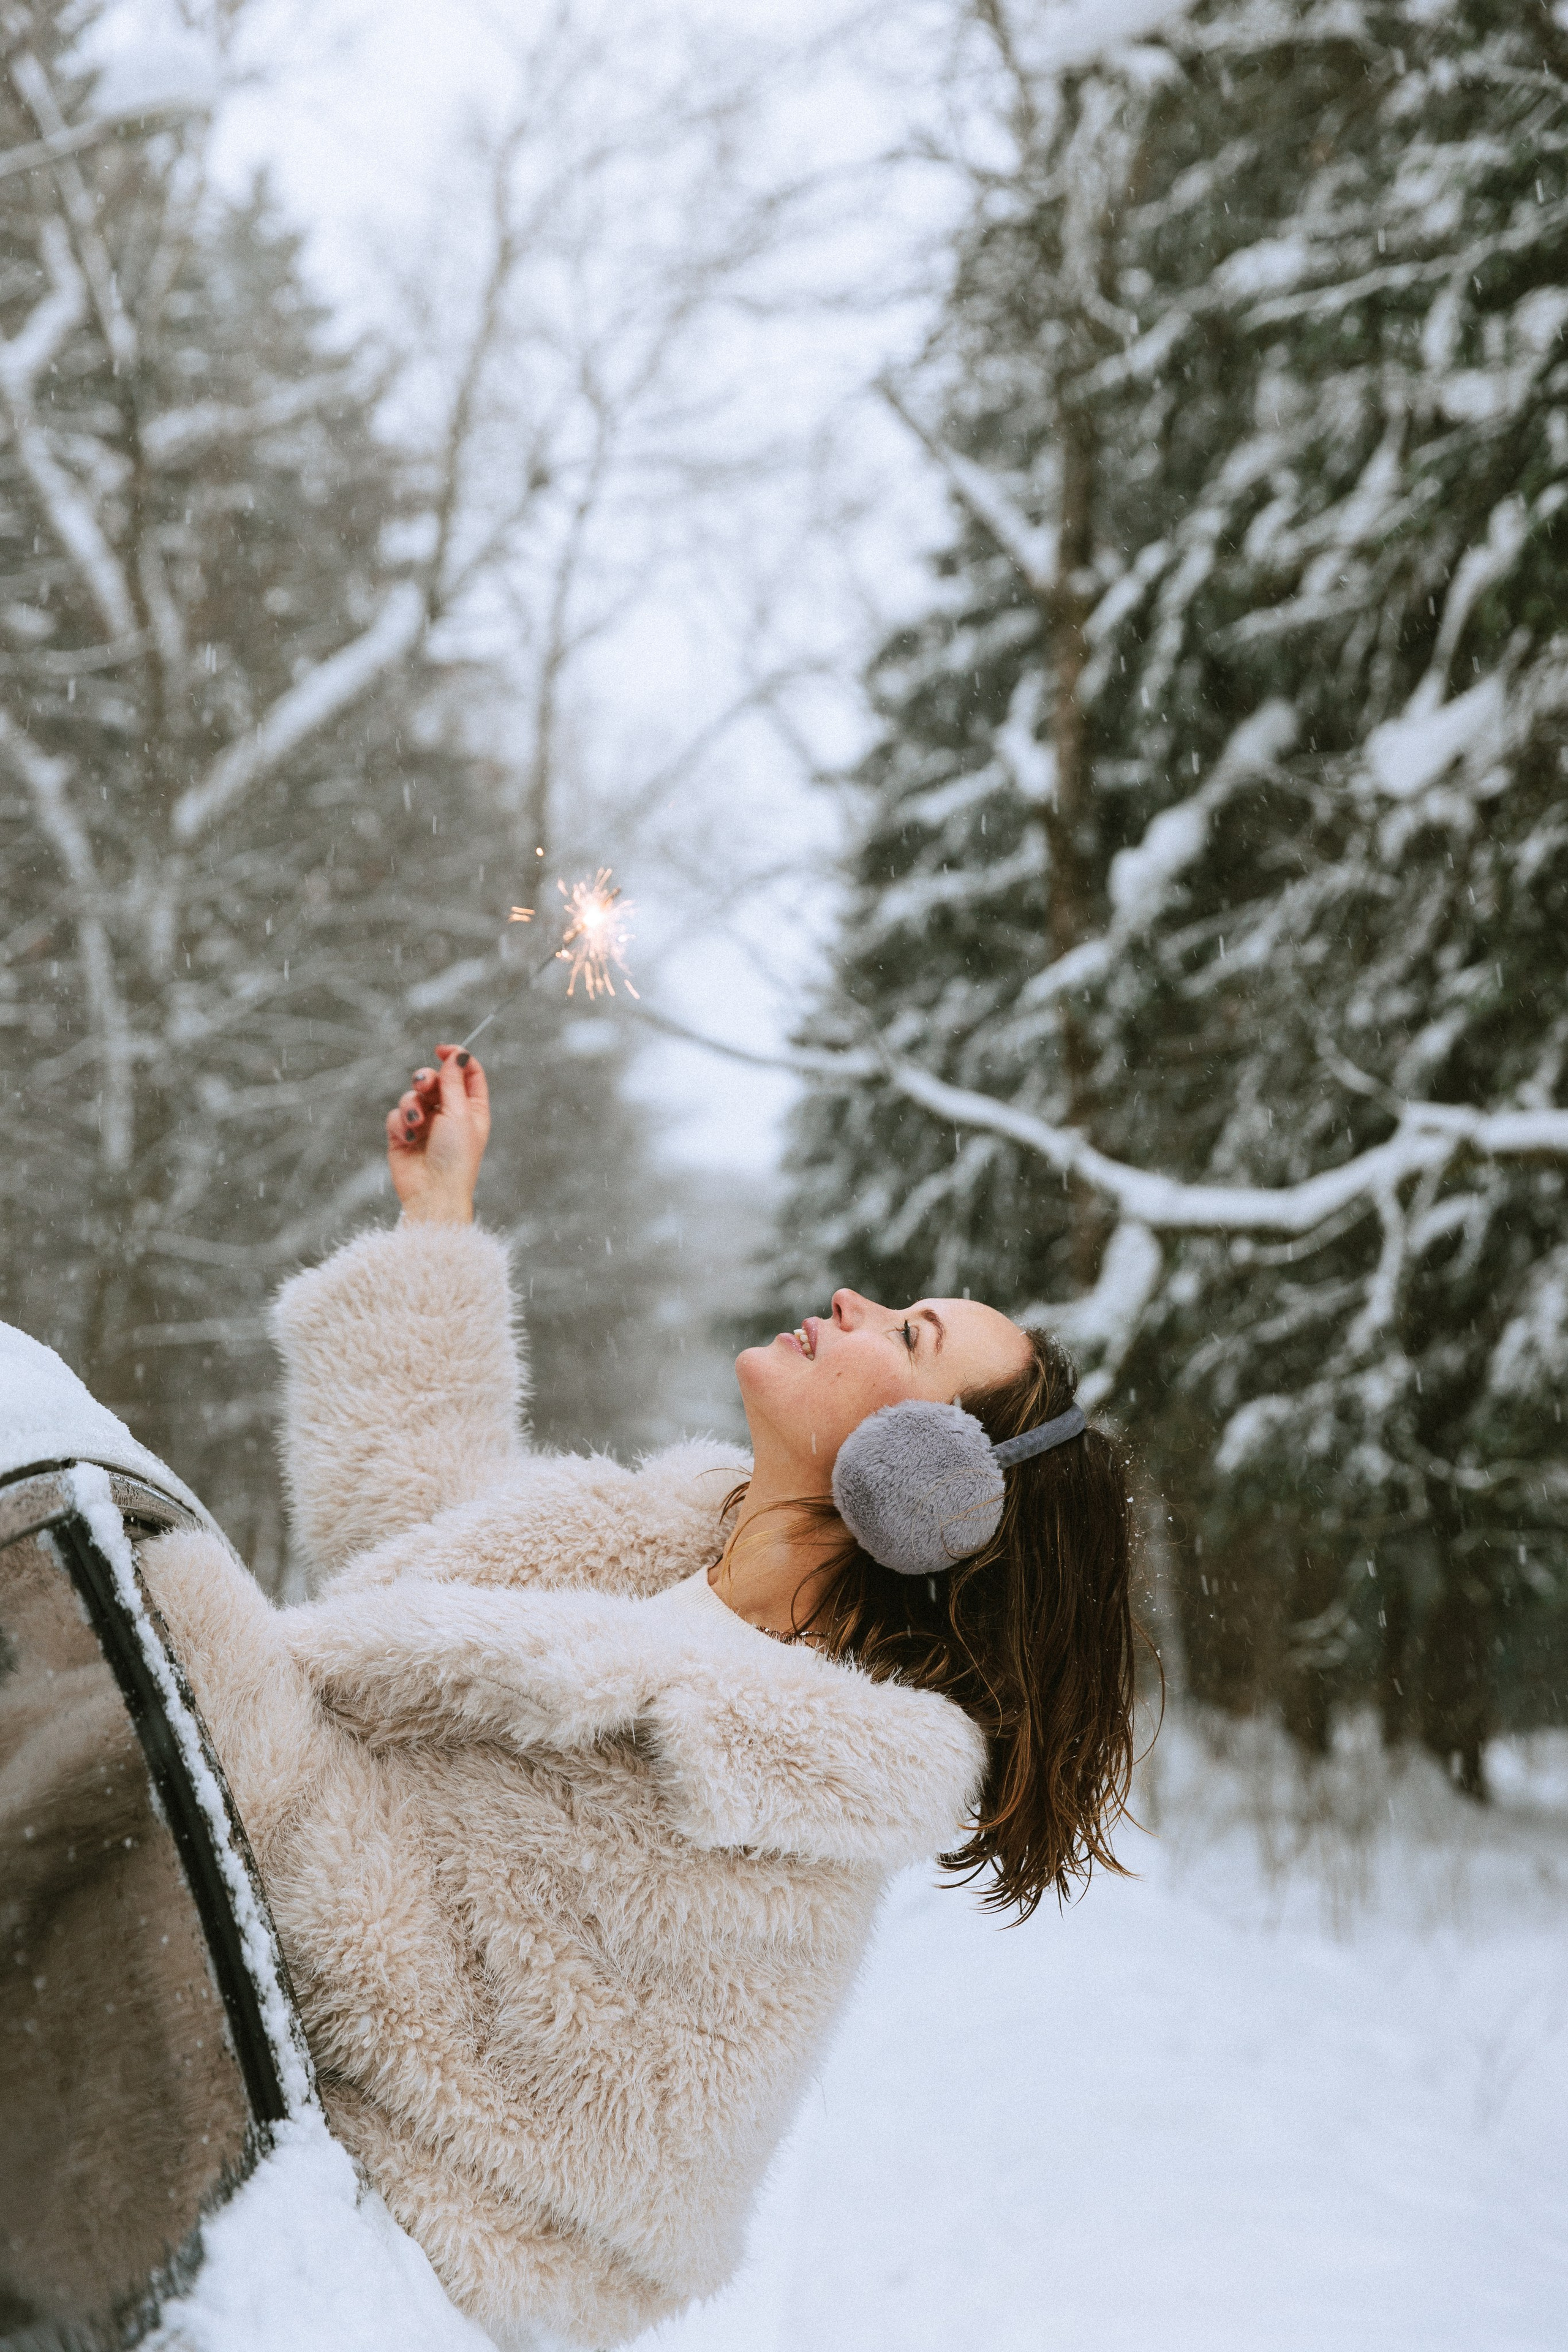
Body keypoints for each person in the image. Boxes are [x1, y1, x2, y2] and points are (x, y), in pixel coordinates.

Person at [143, 1042, 1139, 2351]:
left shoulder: (777, 1787)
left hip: (300, 2271)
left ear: (931, 1476)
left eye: (909, 1334)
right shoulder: (659, 1549)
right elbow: (423, 1554)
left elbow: (401, 1984)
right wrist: (437, 1214)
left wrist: (198, 1657)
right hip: (188, 2102)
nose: (850, 1300)